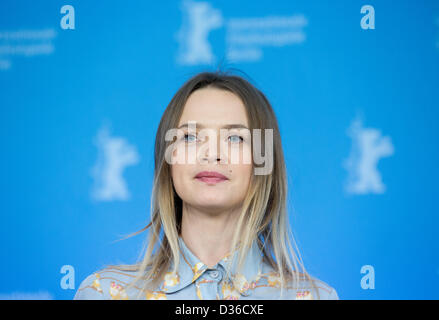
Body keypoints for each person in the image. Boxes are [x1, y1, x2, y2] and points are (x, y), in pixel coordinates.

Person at [74, 70, 339, 300]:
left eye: (235, 138)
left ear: (263, 163)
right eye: (190, 136)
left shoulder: (313, 296)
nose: (212, 154)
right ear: (169, 159)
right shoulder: (104, 293)